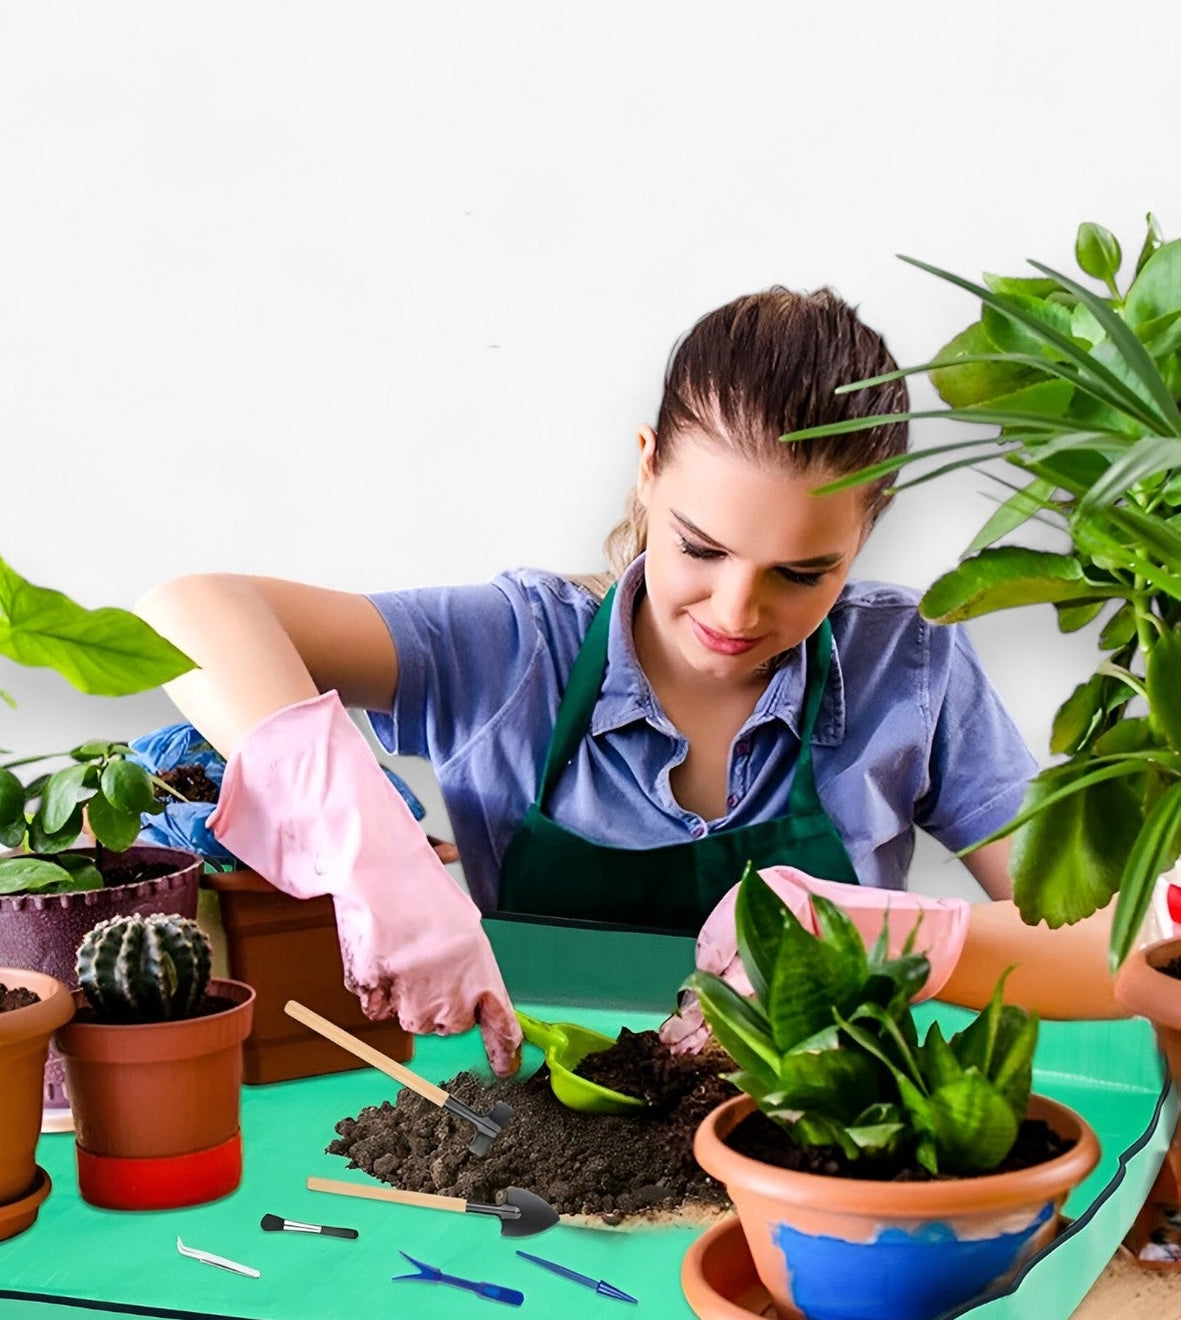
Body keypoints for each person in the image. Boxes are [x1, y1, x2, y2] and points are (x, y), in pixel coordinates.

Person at [136, 286, 1124, 1078]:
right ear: (647, 470)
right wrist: (363, 843)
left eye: (801, 572)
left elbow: (1117, 947)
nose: (735, 611)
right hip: (527, 1164)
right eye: (700, 546)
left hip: (807, 1169)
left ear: (864, 530)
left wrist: (900, 936)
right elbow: (185, 613)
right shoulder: (515, 649)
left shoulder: (906, 669)